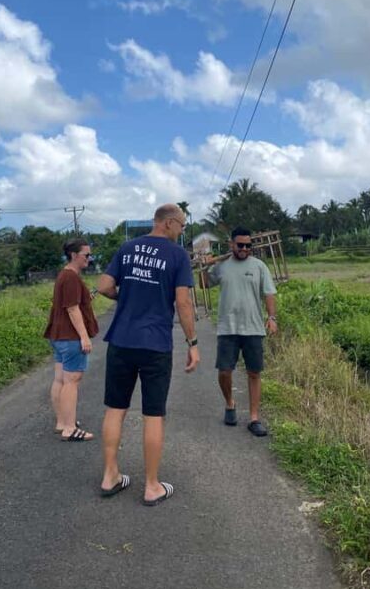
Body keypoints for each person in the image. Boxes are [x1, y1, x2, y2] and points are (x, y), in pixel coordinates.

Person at [97, 204, 199, 505]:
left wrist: (125, 296)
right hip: (155, 344)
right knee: (153, 414)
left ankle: (110, 476)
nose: (182, 231)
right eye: (181, 225)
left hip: (121, 340)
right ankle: (152, 486)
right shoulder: (177, 255)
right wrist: (193, 342)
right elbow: (183, 303)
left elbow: (104, 286)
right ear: (168, 223)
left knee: (115, 409)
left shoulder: (127, 248)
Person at [203, 226, 277, 437]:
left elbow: (269, 293)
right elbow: (205, 284)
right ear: (231, 244)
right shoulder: (222, 266)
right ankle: (230, 403)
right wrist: (206, 266)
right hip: (228, 328)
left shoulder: (259, 266)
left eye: (248, 245)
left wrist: (272, 318)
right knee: (224, 371)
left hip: (253, 328)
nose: (244, 249)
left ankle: (254, 418)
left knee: (254, 372)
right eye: (240, 245)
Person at [44, 238, 98, 442]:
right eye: (86, 255)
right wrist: (84, 337)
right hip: (70, 337)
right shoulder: (71, 277)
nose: (89, 258)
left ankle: (62, 422)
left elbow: (71, 302)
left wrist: (86, 297)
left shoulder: (64, 275)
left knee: (60, 379)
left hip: (59, 335)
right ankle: (69, 428)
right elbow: (72, 309)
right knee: (72, 381)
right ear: (74, 255)